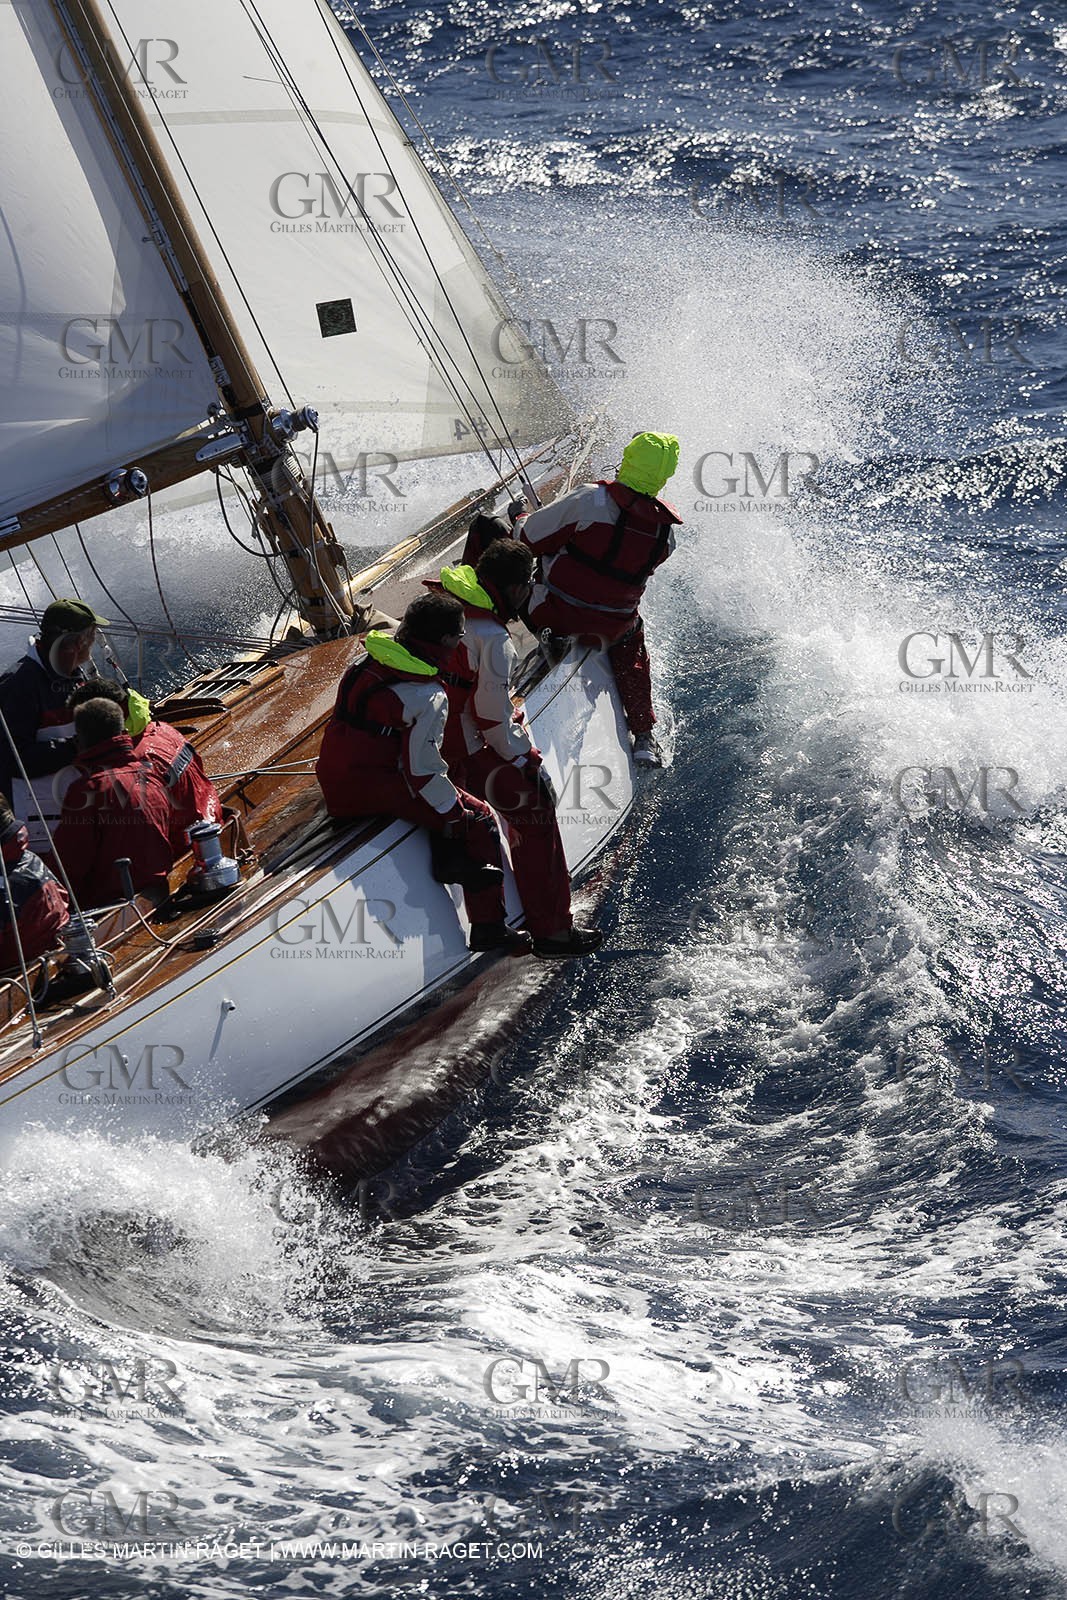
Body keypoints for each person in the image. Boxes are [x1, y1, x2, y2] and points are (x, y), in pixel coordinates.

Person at [315, 593, 530, 955]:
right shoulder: (427, 695)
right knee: (477, 816)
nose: (462, 641)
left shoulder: (363, 663)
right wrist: (456, 816)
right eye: (459, 635)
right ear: (446, 641)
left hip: (334, 780)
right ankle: (489, 927)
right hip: (374, 790)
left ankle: (450, 856)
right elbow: (422, 771)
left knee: (449, 798)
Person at [433, 541, 602, 958]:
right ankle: (553, 932)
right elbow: (491, 718)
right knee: (536, 807)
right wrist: (527, 759)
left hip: (427, 741)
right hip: (463, 752)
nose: (528, 594)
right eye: (526, 585)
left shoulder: (444, 603)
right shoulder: (493, 637)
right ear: (510, 588)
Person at [516, 431, 682, 767]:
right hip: (611, 629)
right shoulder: (666, 535)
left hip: (550, 612)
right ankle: (644, 737)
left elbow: (527, 539)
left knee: (507, 556)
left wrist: (518, 517)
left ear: (628, 460)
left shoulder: (589, 500)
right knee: (633, 642)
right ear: (664, 476)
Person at [65, 679, 223, 854]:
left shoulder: (135, 761)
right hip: (212, 823)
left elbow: (147, 830)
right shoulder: (164, 729)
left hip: (187, 847)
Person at [0, 597, 106, 849]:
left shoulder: (73, 674)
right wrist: (74, 748)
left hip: (76, 808)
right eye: (92, 637)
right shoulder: (17, 685)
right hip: (42, 825)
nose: (93, 645)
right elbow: (10, 759)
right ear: (78, 642)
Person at [51, 699, 176, 908]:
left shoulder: (87, 790)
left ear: (81, 740)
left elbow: (69, 867)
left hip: (111, 908)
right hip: (159, 891)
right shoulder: (150, 773)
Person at [0, 798, 68, 970]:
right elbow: (64, 896)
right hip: (56, 956)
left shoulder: (6, 886)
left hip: (18, 975)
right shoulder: (29, 858)